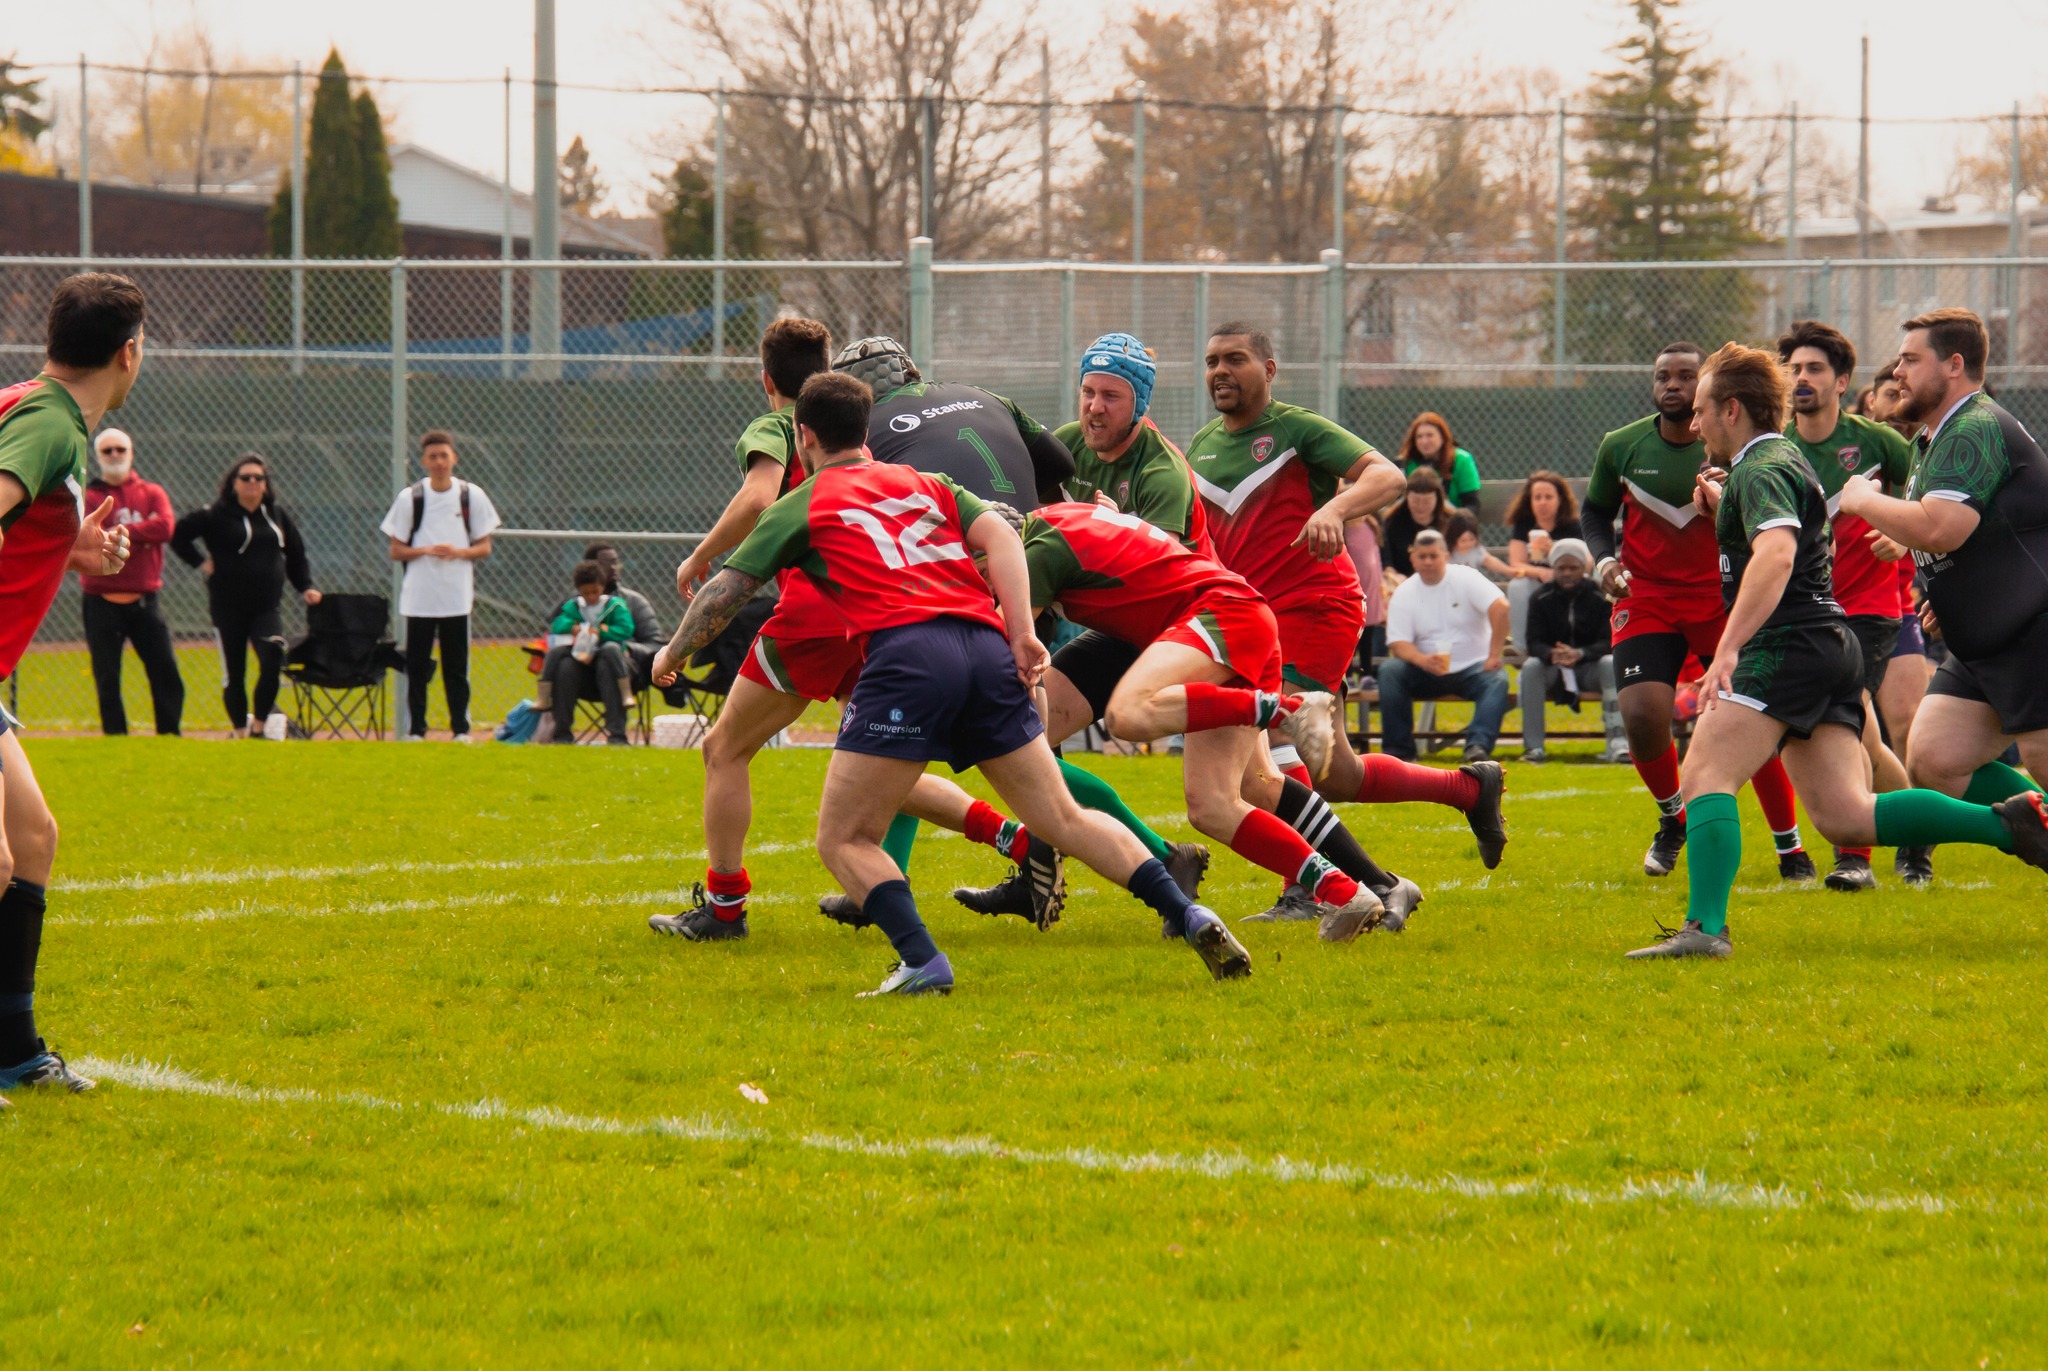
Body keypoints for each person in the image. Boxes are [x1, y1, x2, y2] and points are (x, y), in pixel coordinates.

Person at [648, 372, 1249, 994]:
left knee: (844, 838)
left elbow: (727, 590)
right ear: (866, 430)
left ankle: (921, 962)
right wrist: (1021, 631)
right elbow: (999, 536)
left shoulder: (804, 501)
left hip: (909, 655)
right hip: (986, 645)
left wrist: (672, 650)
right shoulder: (927, 482)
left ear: (805, 437)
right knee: (1064, 818)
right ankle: (1188, 912)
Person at [1625, 342, 2047, 960]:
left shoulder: (1760, 468)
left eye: (1703, 409)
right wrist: (1726, 511)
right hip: (1828, 644)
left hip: (1786, 645)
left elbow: (1776, 553)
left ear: (1732, 409)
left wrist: (1729, 649)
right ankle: (2009, 824)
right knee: (1846, 815)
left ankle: (1705, 929)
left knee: (1706, 775)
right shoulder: (1774, 459)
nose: (1694, 423)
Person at [999, 500, 1417, 939]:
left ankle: (1285, 712)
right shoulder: (1057, 518)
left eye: (982, 567)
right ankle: (1344, 892)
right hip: (1226, 614)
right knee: (1213, 806)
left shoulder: (1035, 551)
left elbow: (1007, 644)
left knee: (1127, 713)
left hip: (1218, 613)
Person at [1582, 341, 1813, 880]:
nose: (1673, 386)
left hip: (1722, 599)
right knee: (1641, 716)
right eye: (1663, 376)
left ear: (1712, 391)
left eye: (1687, 376)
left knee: (1745, 721)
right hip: (1648, 597)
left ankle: (1790, 845)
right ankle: (1672, 818)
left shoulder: (1740, 448)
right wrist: (1603, 561)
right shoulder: (1621, 446)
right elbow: (1595, 512)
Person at [0, 271, 147, 1099]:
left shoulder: (31, 400)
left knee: (34, 837)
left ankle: (15, 1051)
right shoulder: (53, 426)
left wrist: (72, 546)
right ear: (128, 354)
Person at [1839, 308, 2048, 836]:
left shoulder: (1973, 426)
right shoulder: (1934, 439)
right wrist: (1954, 589)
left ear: (1954, 364)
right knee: (1933, 759)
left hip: (2033, 631)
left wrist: (1864, 499)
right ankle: (2036, 831)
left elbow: (1940, 528)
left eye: (1911, 359)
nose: (1897, 372)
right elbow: (1974, 533)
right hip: (1989, 639)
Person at [1776, 319, 1923, 891]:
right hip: (1806, 613)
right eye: (1793, 370)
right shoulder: (1775, 451)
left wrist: (1906, 536)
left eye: (1814, 369)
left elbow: (1931, 500)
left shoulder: (1882, 443)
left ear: (1842, 381)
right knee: (1863, 734)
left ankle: (1854, 855)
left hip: (1870, 608)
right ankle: (1917, 834)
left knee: (1848, 718)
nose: (1801, 379)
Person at [171, 453, 321, 737]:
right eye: (246, 478)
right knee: (235, 672)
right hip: (228, 607)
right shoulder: (215, 514)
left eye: (258, 478)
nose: (252, 482)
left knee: (273, 655)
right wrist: (202, 563)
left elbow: (296, 554)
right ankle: (240, 732)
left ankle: (260, 727)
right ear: (234, 483)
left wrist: (307, 587)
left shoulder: (276, 515)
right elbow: (178, 535)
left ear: (266, 484)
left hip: (267, 606)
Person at [381, 429, 500, 742]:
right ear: (423, 461)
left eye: (444, 456)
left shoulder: (470, 496)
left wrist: (459, 552)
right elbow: (396, 549)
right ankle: (416, 730)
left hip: (456, 597)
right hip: (419, 598)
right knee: (417, 666)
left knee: (456, 666)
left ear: (453, 458)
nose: (439, 462)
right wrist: (425, 550)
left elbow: (484, 546)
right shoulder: (411, 498)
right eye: (433, 457)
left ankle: (460, 729)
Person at [1863, 359, 1938, 799]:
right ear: (1869, 401)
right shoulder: (1846, 455)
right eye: (1889, 395)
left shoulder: (1930, 459)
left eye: (1903, 395)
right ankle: (1857, 844)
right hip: (1836, 614)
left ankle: (1916, 853)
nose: (1897, 405)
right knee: (1856, 735)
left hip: (1900, 610)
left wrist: (1906, 539)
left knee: (1912, 732)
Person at [79, 425, 183, 736]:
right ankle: (115, 737)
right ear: (98, 456)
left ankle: (169, 734)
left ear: (131, 453)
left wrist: (119, 534)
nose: (114, 456)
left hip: (144, 600)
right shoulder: (90, 496)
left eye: (120, 449)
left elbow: (165, 527)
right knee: (107, 676)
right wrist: (141, 533)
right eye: (107, 451)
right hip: (100, 600)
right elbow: (85, 538)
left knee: (166, 670)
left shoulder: (152, 492)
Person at [1378, 530, 1511, 763]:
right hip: (1425, 671)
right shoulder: (1405, 591)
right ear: (1413, 559)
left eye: (1433, 555)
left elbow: (1501, 607)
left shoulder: (1467, 578)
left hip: (1473, 668)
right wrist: (1422, 660)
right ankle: (1399, 751)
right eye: (1422, 556)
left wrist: (1493, 654)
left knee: (1497, 680)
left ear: (1446, 556)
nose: (1428, 561)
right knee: (1390, 671)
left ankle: (1477, 746)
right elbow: (1398, 643)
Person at [1519, 539, 1625, 762]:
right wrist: (1551, 654)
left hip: (1589, 666)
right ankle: (1533, 747)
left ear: (1583, 569)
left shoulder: (1600, 596)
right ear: (1553, 569)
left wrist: (1581, 654)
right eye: (1561, 568)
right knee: (1531, 668)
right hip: (1553, 668)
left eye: (1573, 567)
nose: (1567, 573)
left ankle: (1618, 743)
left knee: (1609, 663)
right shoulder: (1540, 598)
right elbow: (1533, 642)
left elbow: (1610, 640)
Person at [539, 560, 636, 744]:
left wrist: (601, 632)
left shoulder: (615, 605)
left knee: (610, 650)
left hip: (610, 665)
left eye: (595, 592)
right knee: (562, 663)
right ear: (578, 590)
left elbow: (626, 629)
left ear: (603, 587)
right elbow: (557, 625)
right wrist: (574, 628)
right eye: (586, 593)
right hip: (582, 660)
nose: (591, 597)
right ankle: (561, 733)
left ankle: (618, 730)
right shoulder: (574, 606)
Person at [1503, 470, 1583, 650]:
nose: (1542, 502)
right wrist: (1540, 572)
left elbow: (1585, 563)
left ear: (1559, 499)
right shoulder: (1524, 525)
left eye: (1548, 497)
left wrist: (1553, 548)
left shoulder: (1572, 526)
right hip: (1537, 583)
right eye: (1537, 497)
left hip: (1567, 583)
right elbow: (1516, 562)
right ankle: (1522, 648)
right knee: (1518, 586)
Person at [582, 541, 665, 686]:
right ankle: (548, 706)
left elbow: (656, 646)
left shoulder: (634, 602)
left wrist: (626, 647)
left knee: (610, 652)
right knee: (565, 666)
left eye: (615, 562)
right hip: (583, 669)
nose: (613, 568)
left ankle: (615, 709)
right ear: (591, 569)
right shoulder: (573, 604)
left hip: (627, 669)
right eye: (607, 563)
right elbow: (556, 635)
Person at [1399, 411, 1483, 514]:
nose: (1424, 441)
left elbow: (1472, 504)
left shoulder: (1461, 460)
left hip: (1451, 522)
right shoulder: (1406, 463)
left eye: (1430, 435)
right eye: (1419, 437)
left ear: (1442, 437)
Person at [1380, 466, 1451, 579]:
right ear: (1407, 497)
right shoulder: (1392, 522)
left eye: (1427, 501)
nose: (1420, 506)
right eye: (1415, 500)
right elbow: (1386, 562)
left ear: (1437, 499)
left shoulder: (1450, 521)